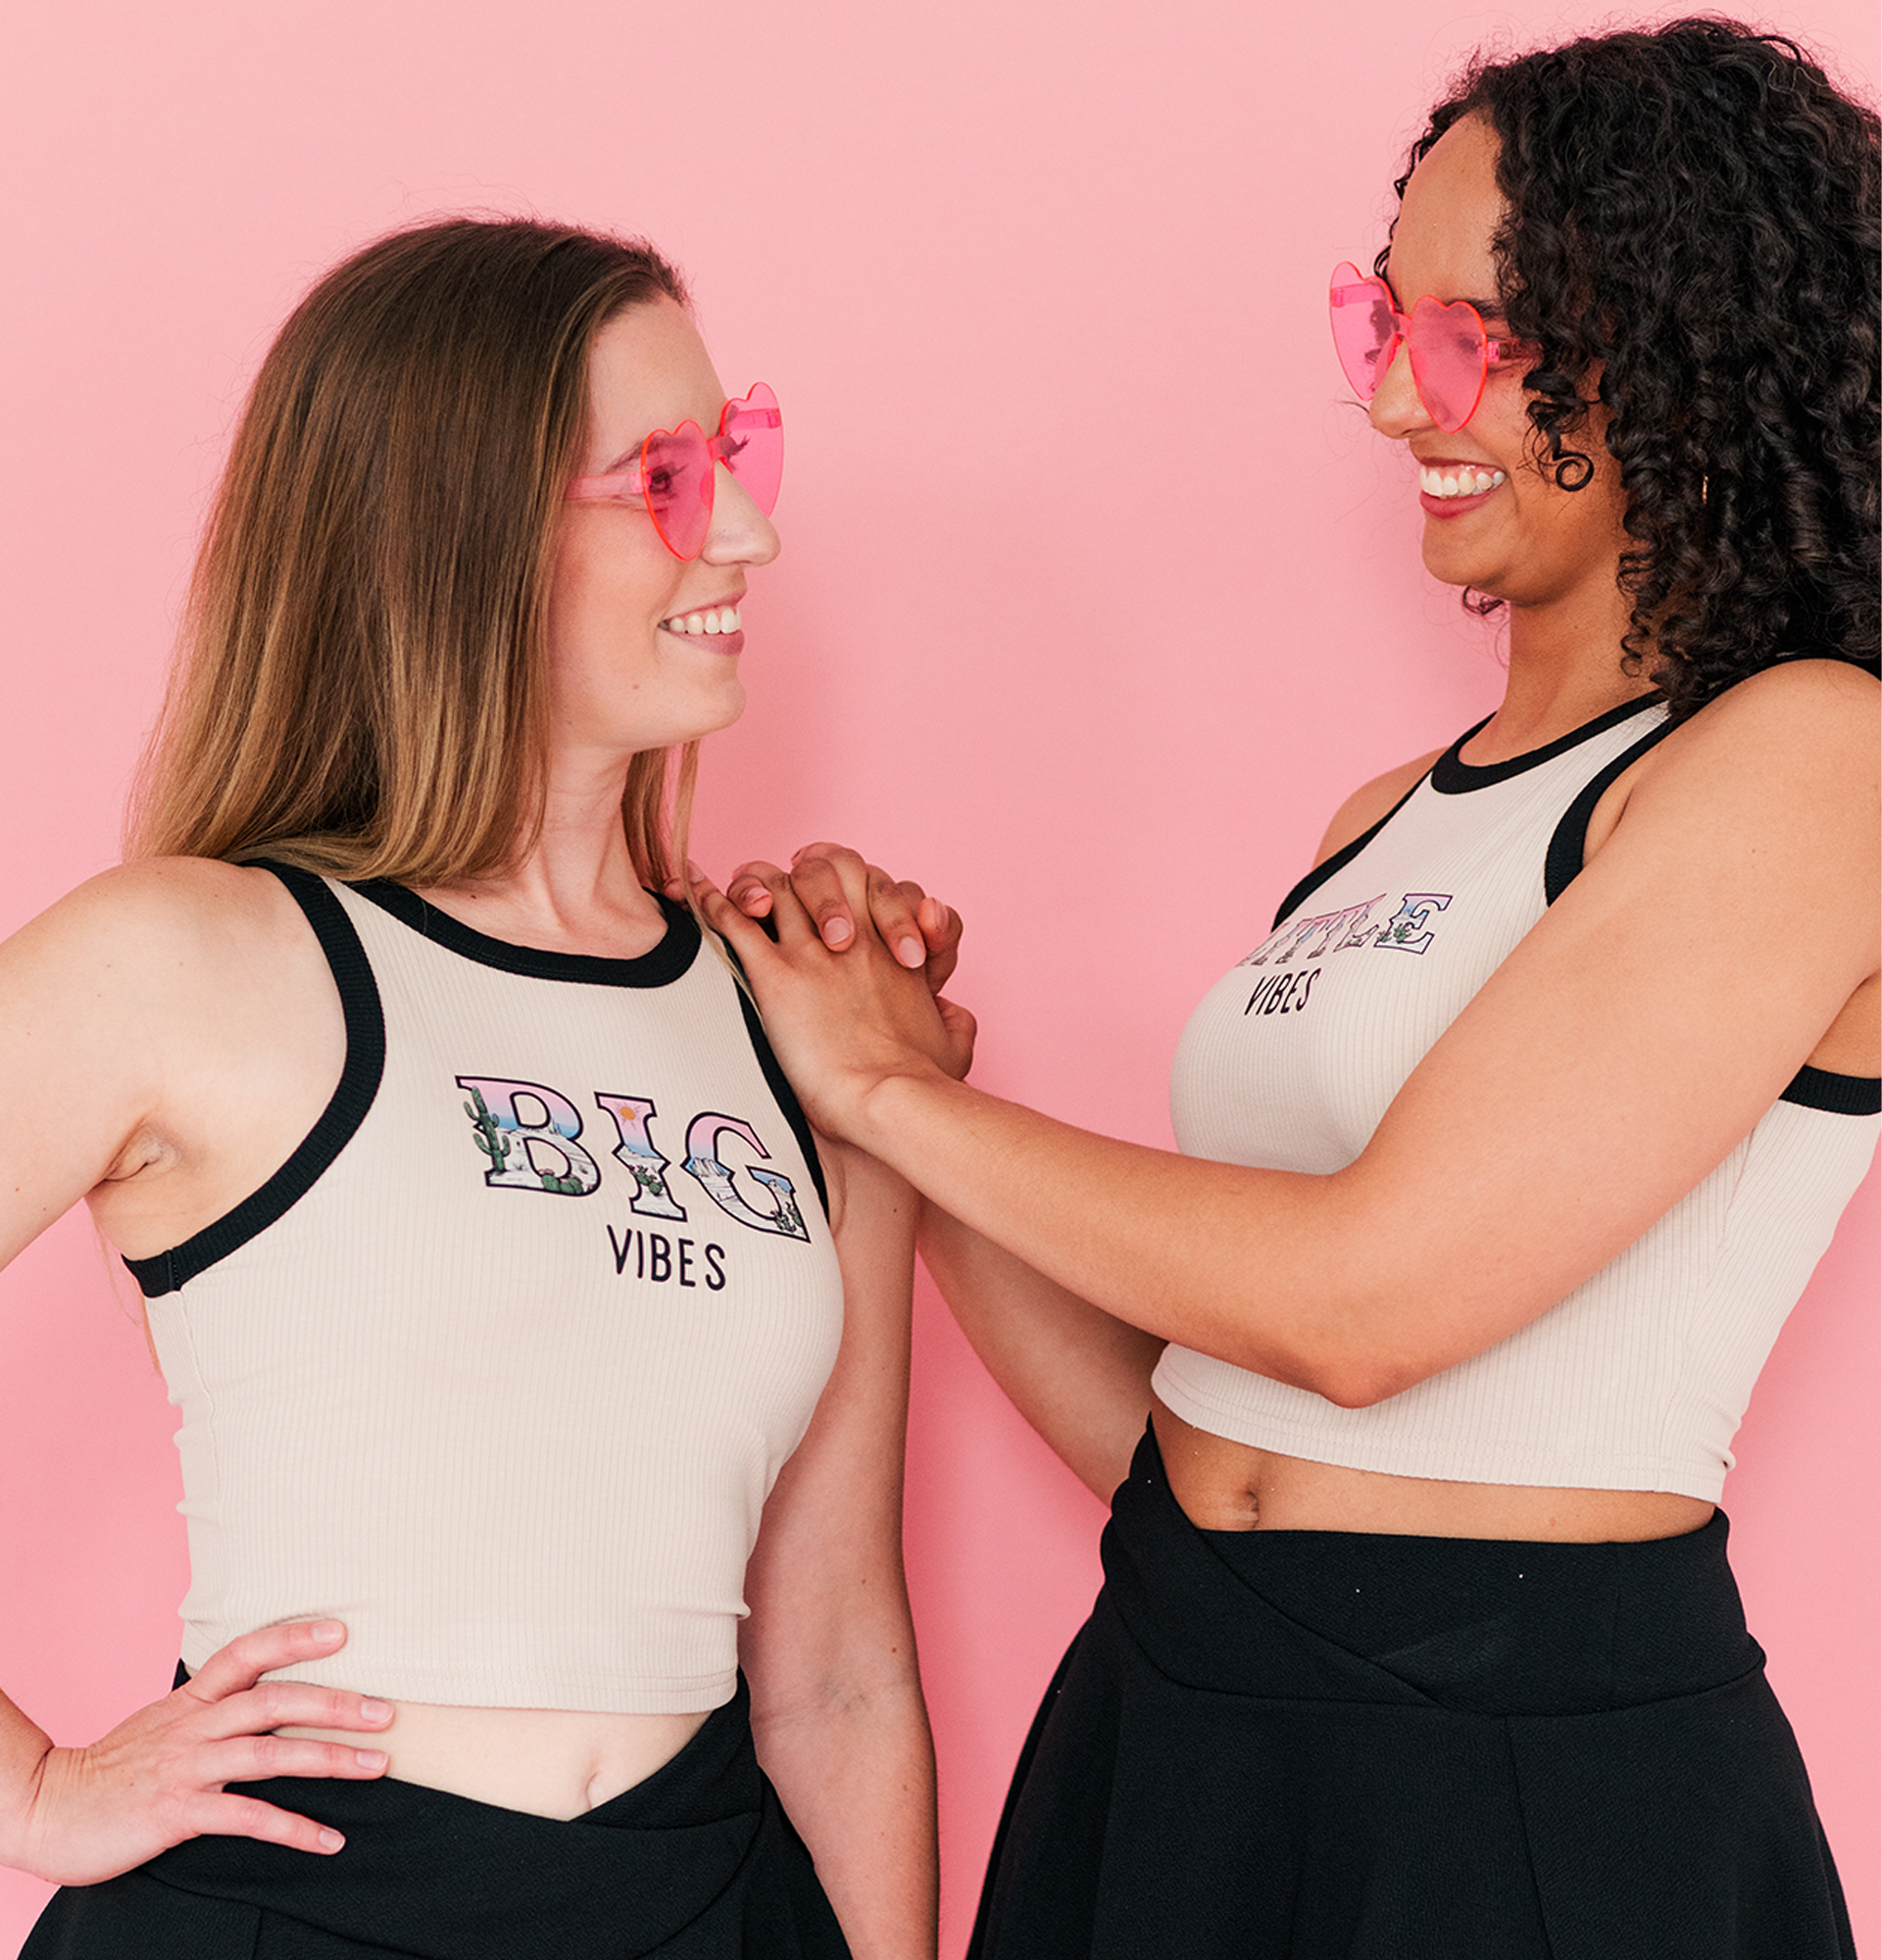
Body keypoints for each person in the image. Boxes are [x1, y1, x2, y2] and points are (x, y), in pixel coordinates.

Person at [702, 21, 1882, 1956]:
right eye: (1374, 325)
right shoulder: (1383, 820)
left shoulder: (1805, 758)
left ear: (1680, 353)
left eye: (1470, 341)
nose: (1391, 402)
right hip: (1177, 1712)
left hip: (1518, 1771)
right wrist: (908, 1095)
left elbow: (1366, 1304)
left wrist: (902, 1102)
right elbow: (1197, 1438)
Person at [0, 218, 934, 1960]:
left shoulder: (799, 1008)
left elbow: (836, 1663)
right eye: (671, 478)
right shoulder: (184, 959)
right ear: (453, 533)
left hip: (715, 1901)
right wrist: (21, 1792)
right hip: (288, 1911)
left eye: (739, 452)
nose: (752, 532)